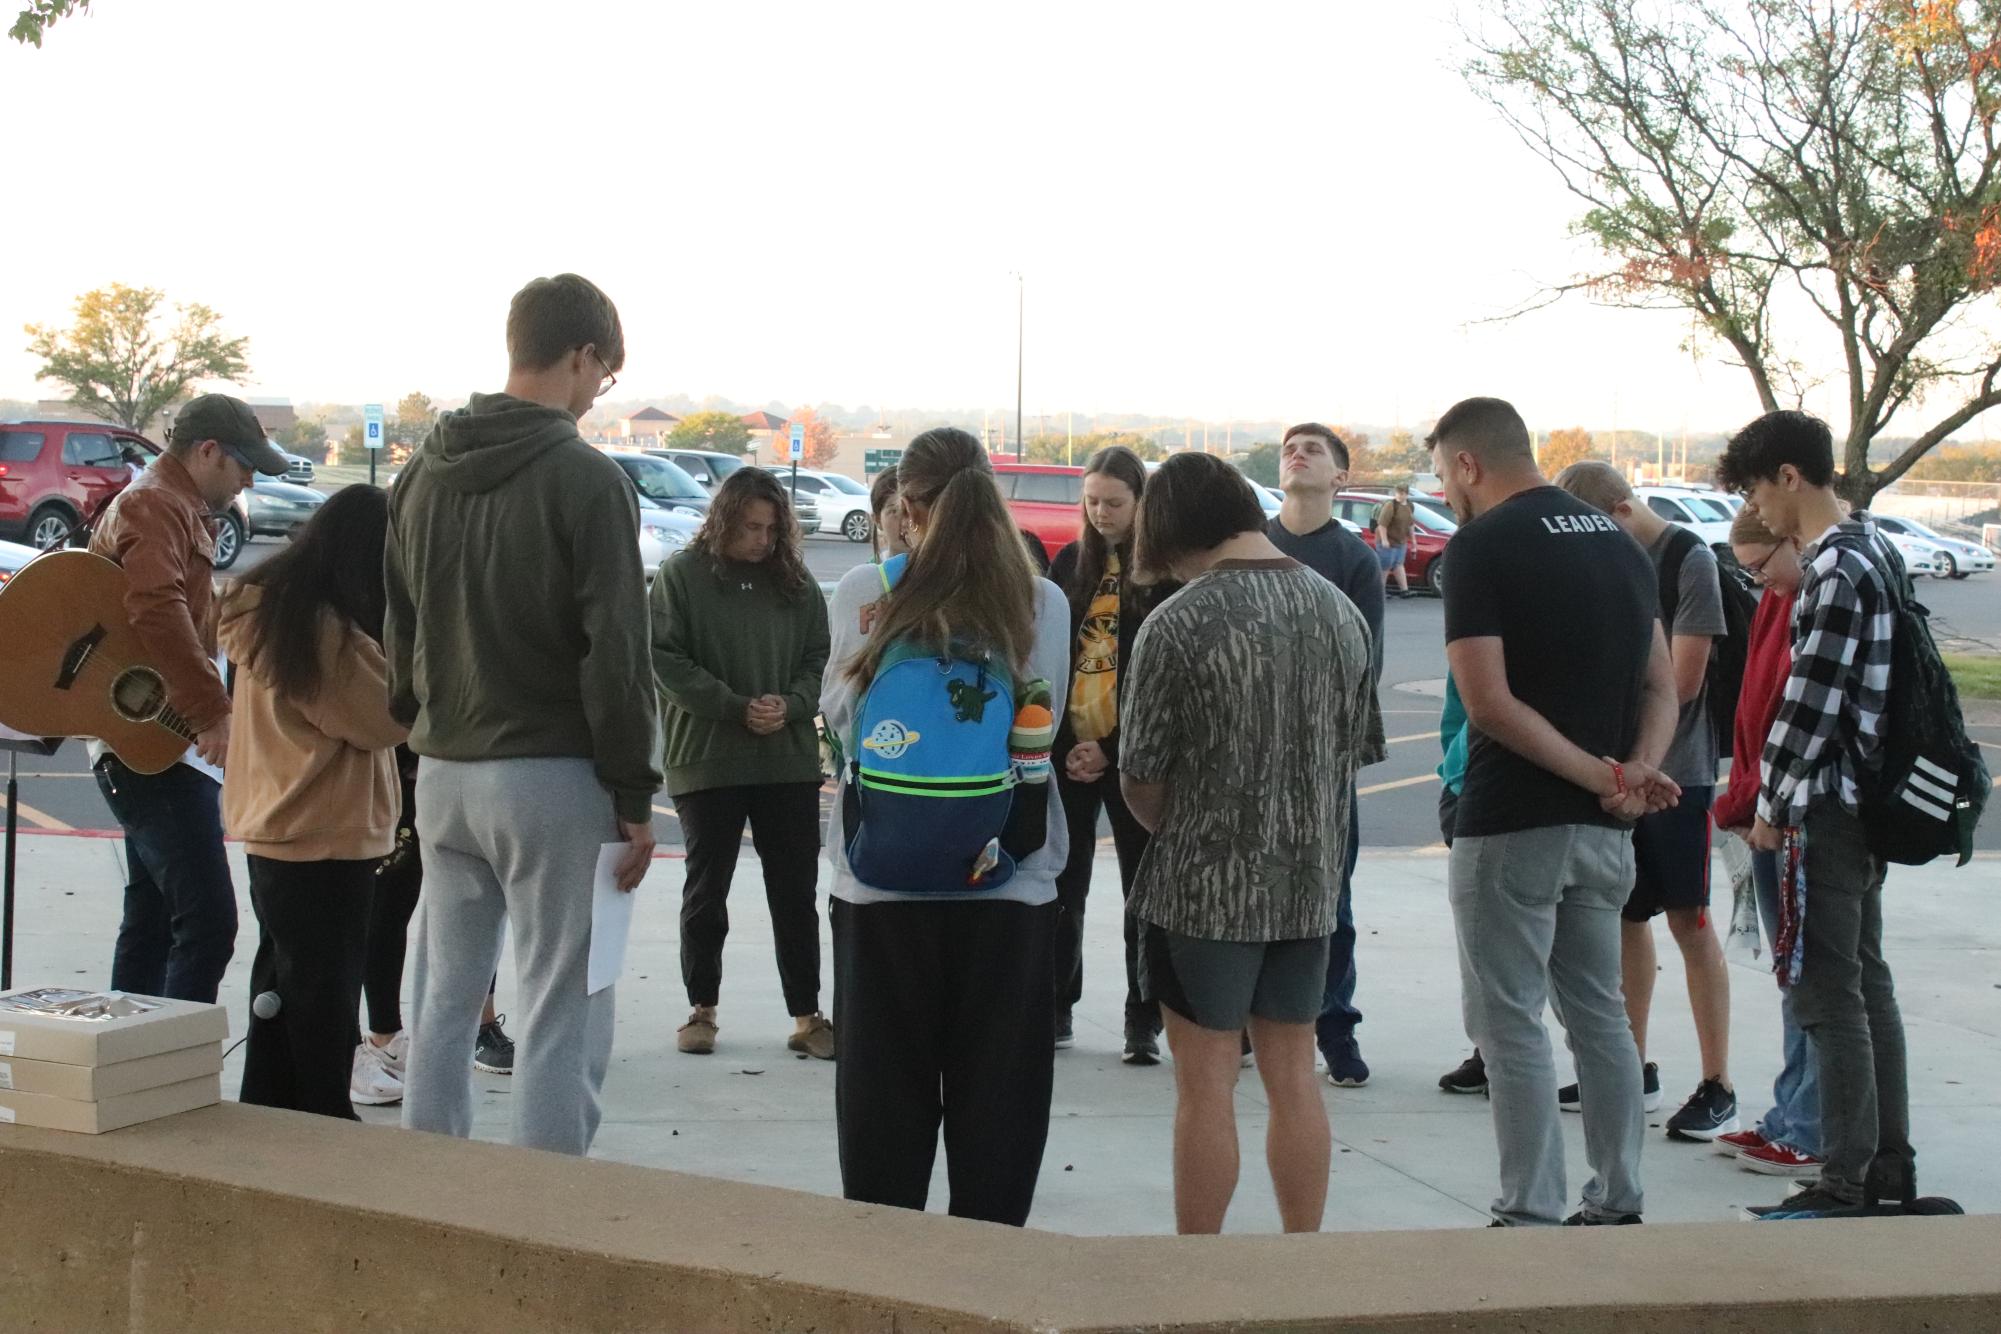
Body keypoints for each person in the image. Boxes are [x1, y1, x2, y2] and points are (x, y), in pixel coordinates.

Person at [386, 273, 661, 1157]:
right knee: (561, 1004)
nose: (595, 395)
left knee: (442, 996)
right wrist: (632, 791)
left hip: (445, 769)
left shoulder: (422, 471)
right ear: (580, 355)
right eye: (602, 376)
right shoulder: (586, 479)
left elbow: (400, 628)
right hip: (550, 774)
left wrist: (418, 729)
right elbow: (617, 653)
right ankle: (545, 1212)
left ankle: (432, 1190)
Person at [1430, 396, 1681, 1227]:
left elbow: (1489, 704)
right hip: (1605, 831)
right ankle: (1618, 1195)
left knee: (1507, 1022)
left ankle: (1528, 1208)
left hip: (1513, 822)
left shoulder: (1480, 546)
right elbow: (1660, 684)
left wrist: (1600, 774)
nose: (1446, 493)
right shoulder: (1618, 540)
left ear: (1468, 465)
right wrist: (1634, 772)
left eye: (1443, 475)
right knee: (1599, 1012)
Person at [1119, 452, 1380, 1235]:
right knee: (1294, 1079)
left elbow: (1141, 778)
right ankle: (1300, 1264)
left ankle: (1199, 1275)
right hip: (1308, 886)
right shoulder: (1338, 610)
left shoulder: (1178, 621)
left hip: (1202, 889)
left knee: (1204, 1092)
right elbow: (1353, 754)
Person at [820, 426, 1070, 1227]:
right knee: (998, 1119)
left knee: (881, 1116)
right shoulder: (1040, 601)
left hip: (878, 882)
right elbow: (1047, 721)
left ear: (907, 504)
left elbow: (839, 722)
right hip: (1008, 881)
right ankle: (984, 1291)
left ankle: (891, 1289)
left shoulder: (865, 587)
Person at [1719, 409, 1915, 1217]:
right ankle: (1886, 1168)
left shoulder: (1834, 568)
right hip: (1866, 802)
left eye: (1758, 489)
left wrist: (1770, 804)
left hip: (1826, 809)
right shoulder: (1877, 547)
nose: (1757, 507)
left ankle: (1844, 1180)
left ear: (1788, 478)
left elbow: (1807, 705)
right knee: (1867, 986)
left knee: (1826, 995)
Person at [1552, 461, 1737, 1141]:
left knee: (1689, 920)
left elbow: (1682, 681)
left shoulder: (1688, 560)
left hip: (1678, 772)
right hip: (1618, 769)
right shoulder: (1608, 559)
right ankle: (1628, 1065)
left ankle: (1717, 1082)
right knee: (1626, 916)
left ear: (1623, 510)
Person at [88, 393, 289, 1003]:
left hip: (157, 740)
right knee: (207, 923)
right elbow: (155, 606)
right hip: (156, 743)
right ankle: (167, 1070)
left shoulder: (171, 503)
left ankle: (131, 1068)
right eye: (242, 464)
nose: (250, 478)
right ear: (207, 451)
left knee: (150, 922)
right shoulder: (156, 505)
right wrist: (212, 712)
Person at [218, 486, 406, 1119]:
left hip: (281, 828)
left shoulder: (273, 606)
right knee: (322, 1006)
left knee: (280, 996)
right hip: (324, 832)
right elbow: (385, 717)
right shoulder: (322, 631)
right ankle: (320, 1132)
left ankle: (268, 1114)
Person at [653, 468, 834, 1059]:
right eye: (751, 527)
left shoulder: (797, 583)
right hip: (708, 757)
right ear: (723, 520)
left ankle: (808, 1018)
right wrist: (734, 707)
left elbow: (817, 660)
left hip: (786, 759)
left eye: (772, 528)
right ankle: (700, 1010)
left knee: (794, 893)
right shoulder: (682, 576)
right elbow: (666, 659)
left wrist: (792, 705)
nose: (762, 540)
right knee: (708, 891)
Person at [1264, 422, 1384, 1088]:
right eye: (1290, 447)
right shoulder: (1256, 543)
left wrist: (1331, 747)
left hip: (1322, 760)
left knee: (1329, 902)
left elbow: (1365, 663)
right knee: (1252, 893)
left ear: (1339, 478)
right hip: (1249, 759)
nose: (1298, 453)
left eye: (1314, 450)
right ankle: (1252, 1021)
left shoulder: (1354, 559)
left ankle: (1334, 1027)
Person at [1709, 504, 1821, 1176]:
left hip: (1788, 814)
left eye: (1758, 569)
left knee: (1809, 976)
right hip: (1762, 805)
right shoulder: (1780, 599)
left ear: (1790, 540)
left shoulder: (1812, 595)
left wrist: (1761, 806)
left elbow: (1796, 717)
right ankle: (1789, 1110)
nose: (1757, 585)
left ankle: (1810, 1124)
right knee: (1790, 974)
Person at [1046, 445, 1161, 1064]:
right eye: (1091, 501)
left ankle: (1142, 1017)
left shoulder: (1161, 572)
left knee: (1141, 892)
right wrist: (1070, 747)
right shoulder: (1069, 563)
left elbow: (1160, 682)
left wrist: (1112, 751)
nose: (1100, 512)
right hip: (1068, 752)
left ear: (1140, 502)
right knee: (1065, 885)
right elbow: (1052, 662)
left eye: (1114, 502)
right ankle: (1057, 1005)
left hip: (1134, 755)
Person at [354, 746, 513, 1106]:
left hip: (461, 763)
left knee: (475, 907)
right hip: (403, 764)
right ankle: (376, 1037)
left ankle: (478, 1027)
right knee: (385, 907)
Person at [1433, 673, 1488, 1096]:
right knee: (1480, 942)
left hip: (1526, 793)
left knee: (1561, 947)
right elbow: (1459, 697)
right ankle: (1487, 1051)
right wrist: (1455, 765)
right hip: (1468, 784)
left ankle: (1591, 1063)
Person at [1375, 482, 1416, 599]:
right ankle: (1380, 592)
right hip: (1388, 541)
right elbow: (1382, 525)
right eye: (1398, 493)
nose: (1399, 495)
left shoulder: (1409, 506)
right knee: (1385, 566)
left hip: (1400, 541)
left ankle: (1404, 590)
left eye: (1402, 493)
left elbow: (1410, 524)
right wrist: (1384, 540)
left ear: (1407, 494)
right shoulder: (1390, 506)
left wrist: (1413, 541)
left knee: (1398, 565)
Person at [867, 464, 907, 562]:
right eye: (894, 511)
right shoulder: (870, 574)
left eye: (910, 510)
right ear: (877, 520)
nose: (905, 522)